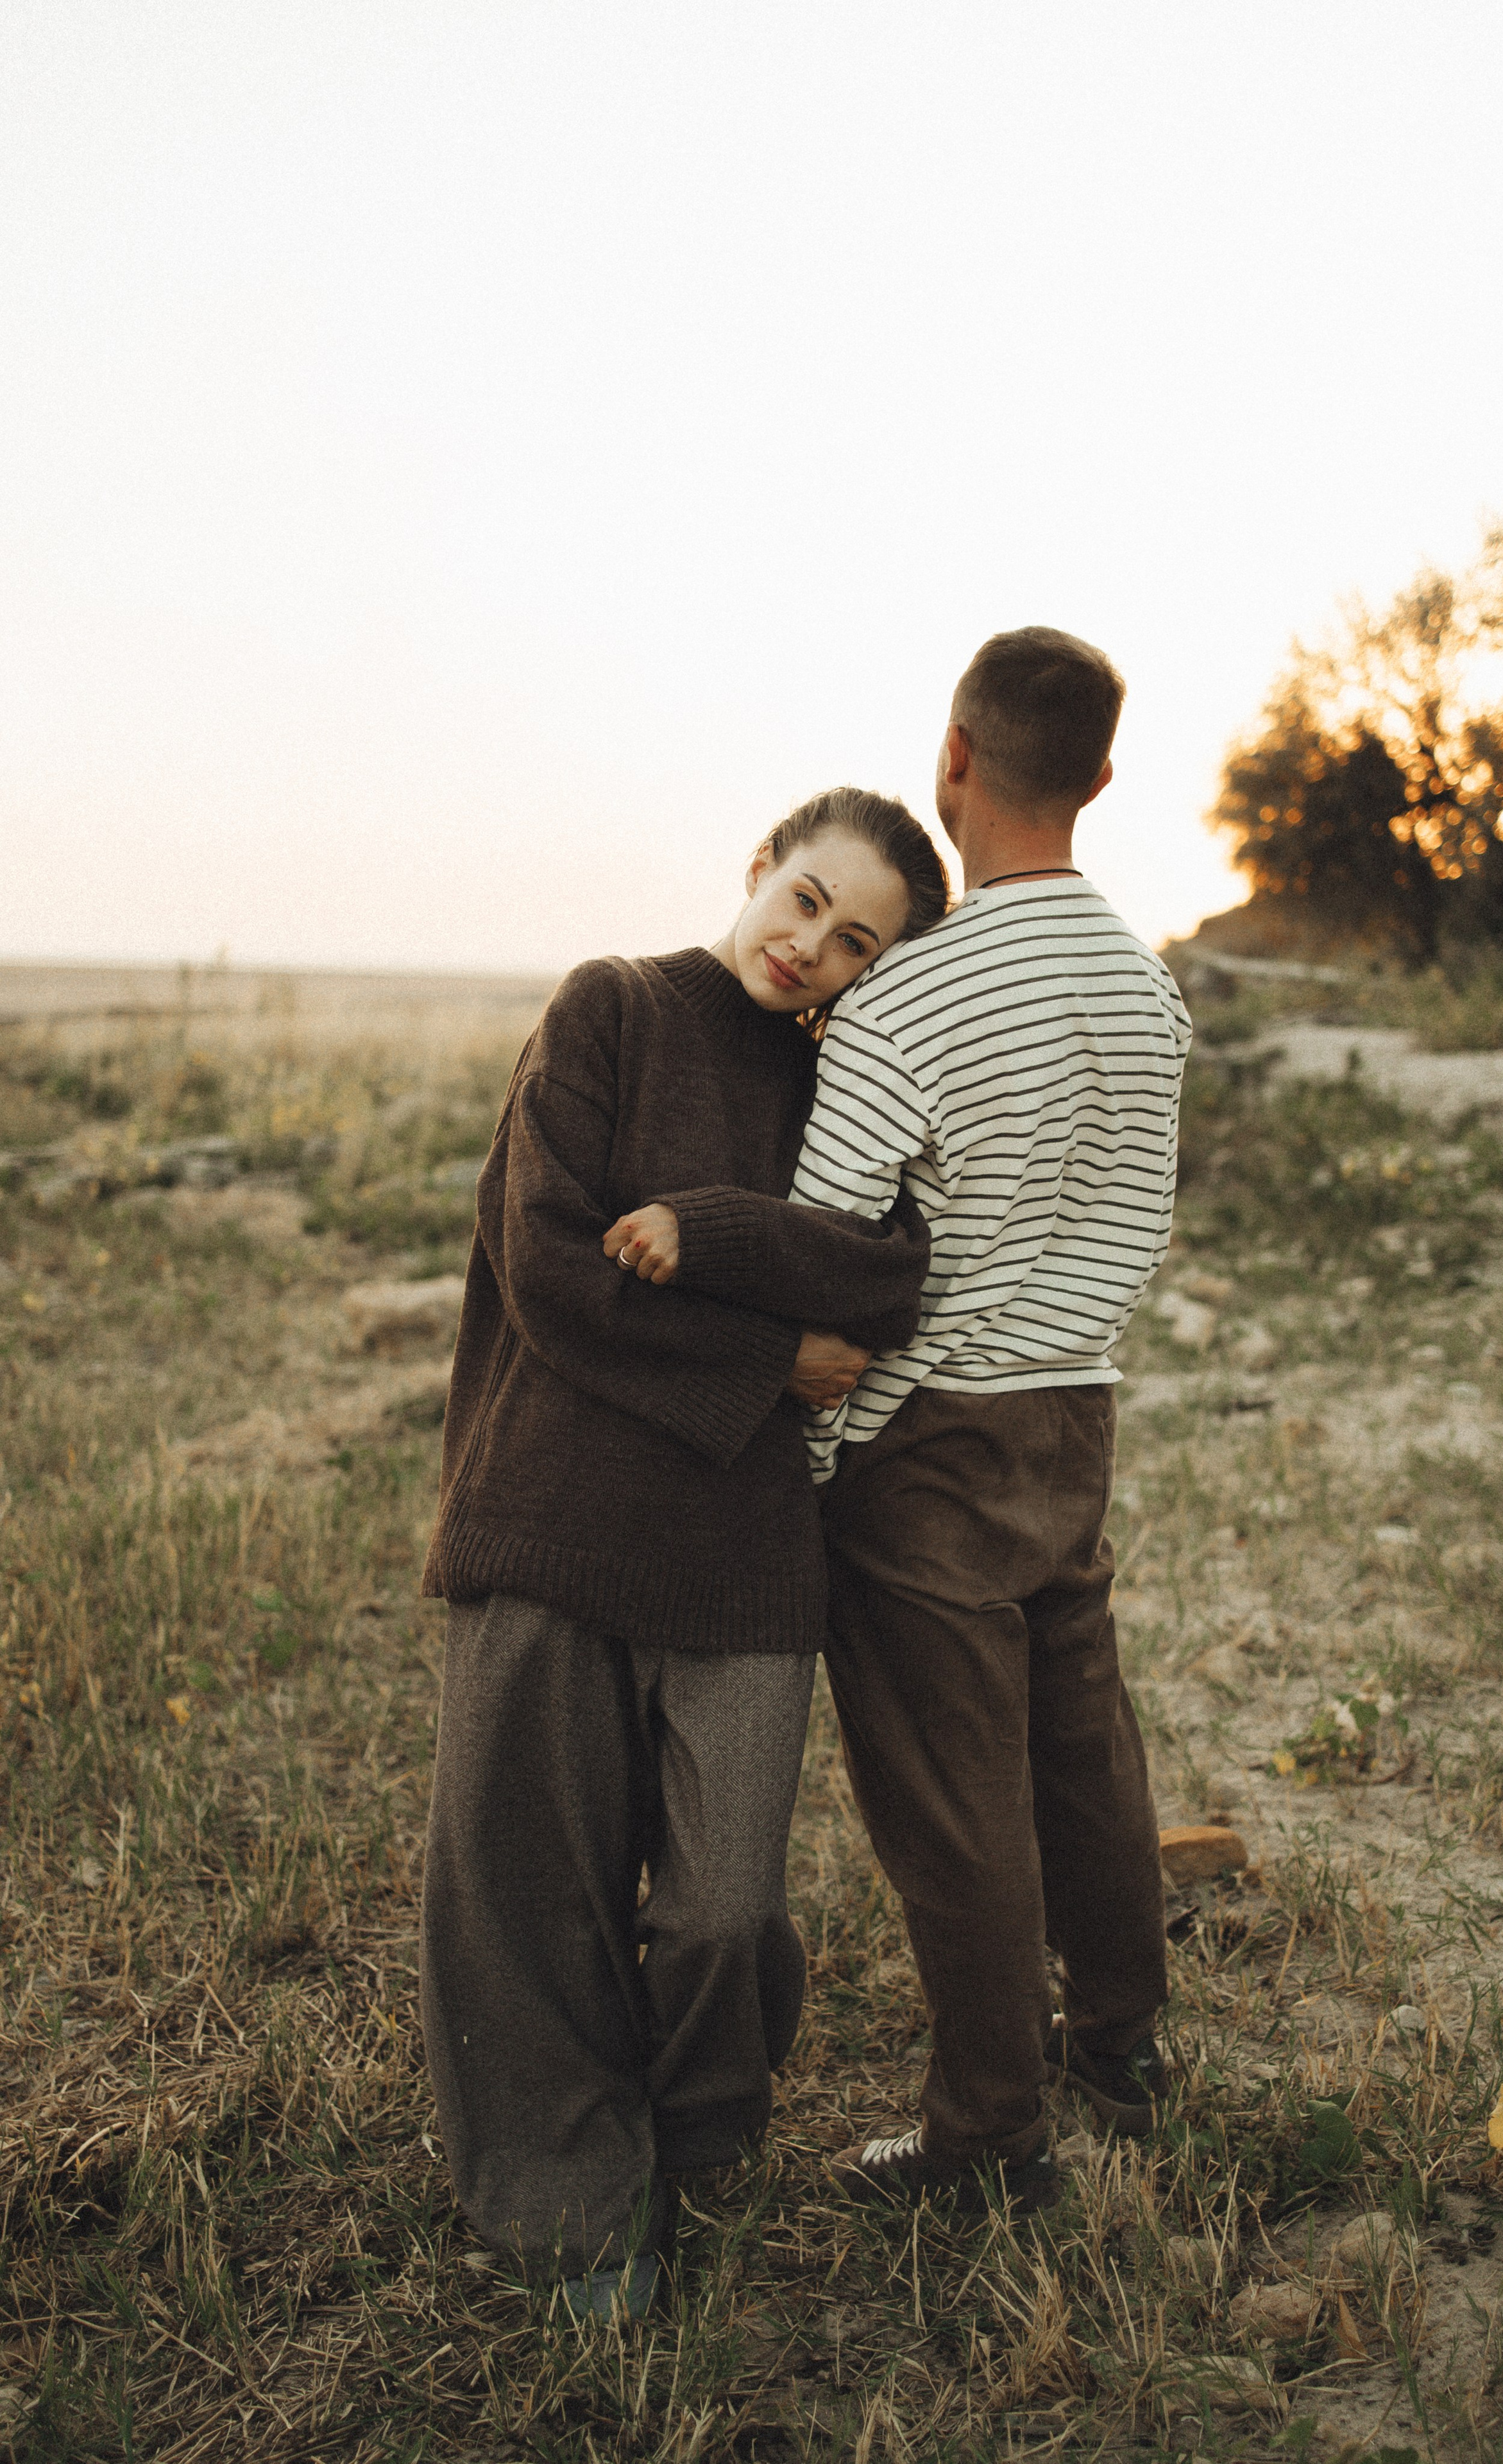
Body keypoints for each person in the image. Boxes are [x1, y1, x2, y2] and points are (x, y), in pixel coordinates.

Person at [418, 787, 948, 2316]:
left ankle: (696, 2131)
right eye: (803, 900)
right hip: (551, 1508)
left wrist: (715, 1239)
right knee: (531, 1886)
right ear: (759, 868)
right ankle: (571, 2205)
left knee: (723, 1910)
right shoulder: (613, 1006)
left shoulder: (849, 1087)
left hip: (741, 1542)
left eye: (854, 943)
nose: (809, 949)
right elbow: (549, 1258)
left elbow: (892, 1276)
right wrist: (767, 1362)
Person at [788, 628, 1192, 2209]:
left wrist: (820, 1451)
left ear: (950, 759)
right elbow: (1139, 1224)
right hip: (1070, 1411)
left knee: (953, 1805)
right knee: (1079, 1744)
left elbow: (826, 1256)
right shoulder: (1147, 991)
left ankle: (987, 2140)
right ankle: (1122, 2045)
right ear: (1095, 779)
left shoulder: (905, 1002)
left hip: (925, 1446)